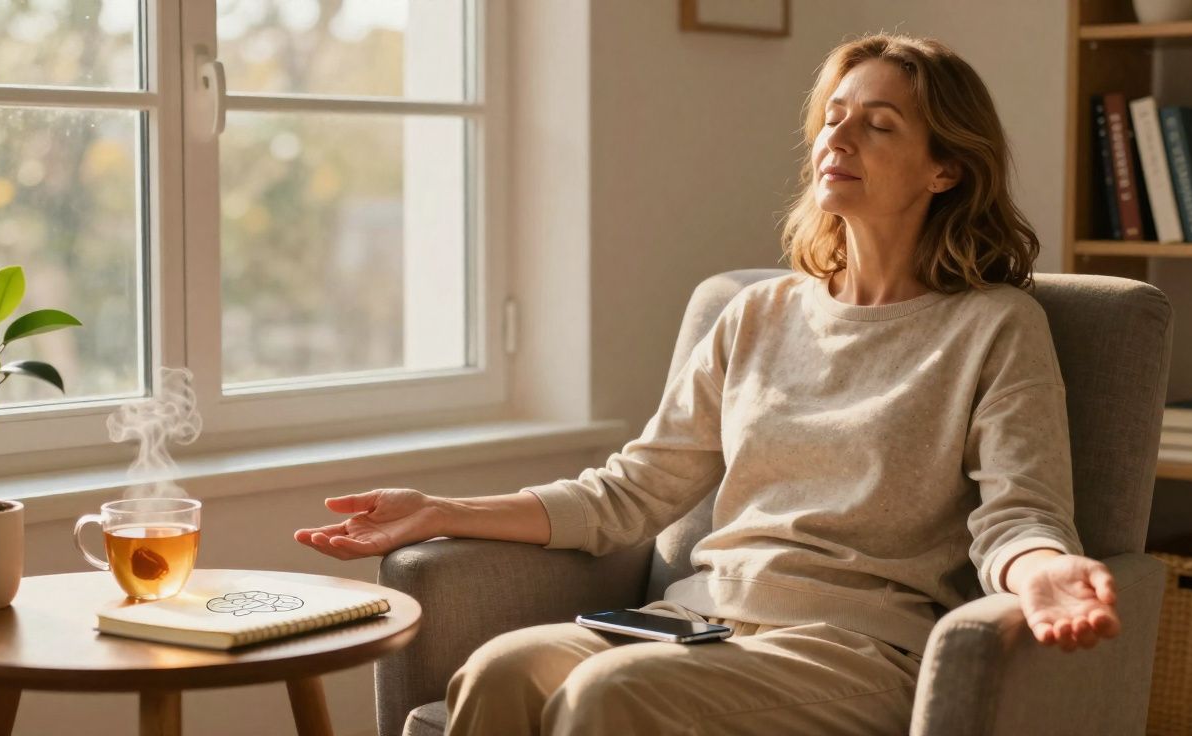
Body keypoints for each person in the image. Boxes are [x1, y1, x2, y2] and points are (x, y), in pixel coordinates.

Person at [296, 32, 1122, 735]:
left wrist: (1040, 567)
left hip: (851, 648)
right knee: (502, 670)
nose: (839, 140)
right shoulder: (755, 313)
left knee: (609, 693)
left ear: (944, 169)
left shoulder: (993, 327)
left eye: (877, 127)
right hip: (694, 623)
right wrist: (444, 511)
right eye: (832, 118)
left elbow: (1019, 509)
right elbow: (631, 490)